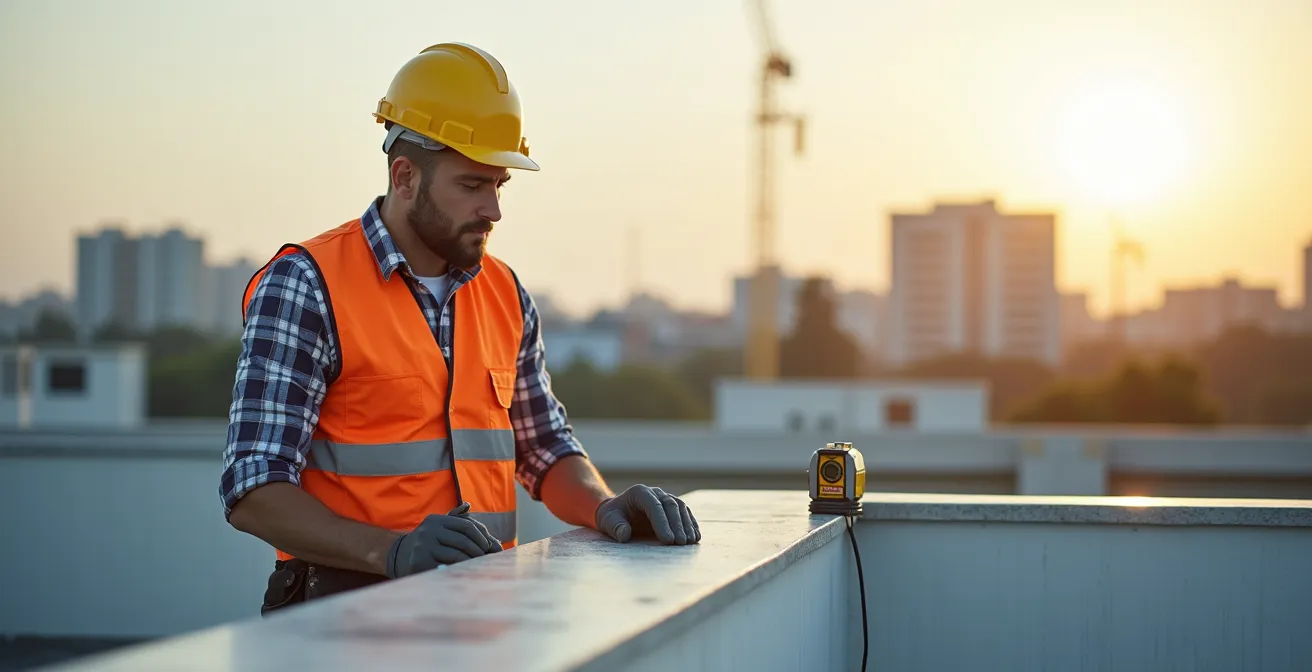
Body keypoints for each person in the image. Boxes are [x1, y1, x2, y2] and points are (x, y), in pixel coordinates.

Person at [219, 42, 701, 615]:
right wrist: (391, 552)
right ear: (405, 178)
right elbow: (253, 487)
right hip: (340, 617)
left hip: (481, 620)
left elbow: (543, 447)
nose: (493, 209)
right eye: (472, 185)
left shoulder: (504, 293)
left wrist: (605, 506)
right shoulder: (306, 284)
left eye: (499, 185)